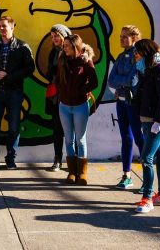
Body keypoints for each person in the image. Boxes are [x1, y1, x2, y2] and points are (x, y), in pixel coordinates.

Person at [0, 16, 35, 170]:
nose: (2, 29)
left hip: (15, 91)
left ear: (12, 27)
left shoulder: (22, 46)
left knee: (14, 127)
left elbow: (30, 67)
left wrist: (11, 77)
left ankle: (10, 160)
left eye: (4, 26)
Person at [56, 34, 98, 185]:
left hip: (80, 106)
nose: (64, 48)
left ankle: (82, 173)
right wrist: (62, 91)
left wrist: (81, 91)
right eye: (64, 45)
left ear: (75, 47)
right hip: (64, 106)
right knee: (68, 140)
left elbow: (94, 82)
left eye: (67, 46)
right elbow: (57, 79)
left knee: (80, 140)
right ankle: (72, 172)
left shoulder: (86, 61)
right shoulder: (62, 60)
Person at [132, 39, 160, 213]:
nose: (135, 55)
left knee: (146, 159)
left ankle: (147, 198)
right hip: (147, 121)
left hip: (156, 123)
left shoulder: (159, 71)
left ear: (146, 52)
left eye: (137, 52)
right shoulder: (147, 71)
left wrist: (159, 121)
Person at [107, 25, 144, 189]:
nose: (121, 39)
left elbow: (132, 80)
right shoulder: (121, 56)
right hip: (121, 101)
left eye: (125, 36)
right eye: (120, 36)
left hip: (133, 103)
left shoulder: (139, 57)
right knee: (126, 139)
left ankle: (147, 179)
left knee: (139, 138)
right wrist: (123, 83)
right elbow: (110, 80)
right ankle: (126, 175)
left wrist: (121, 82)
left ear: (134, 38)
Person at [44, 24, 72, 172]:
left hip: (69, 96)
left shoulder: (71, 53)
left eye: (57, 36)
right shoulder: (53, 53)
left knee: (71, 131)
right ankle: (57, 159)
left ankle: (73, 162)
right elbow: (49, 73)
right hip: (56, 96)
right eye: (52, 36)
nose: (54, 39)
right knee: (57, 129)